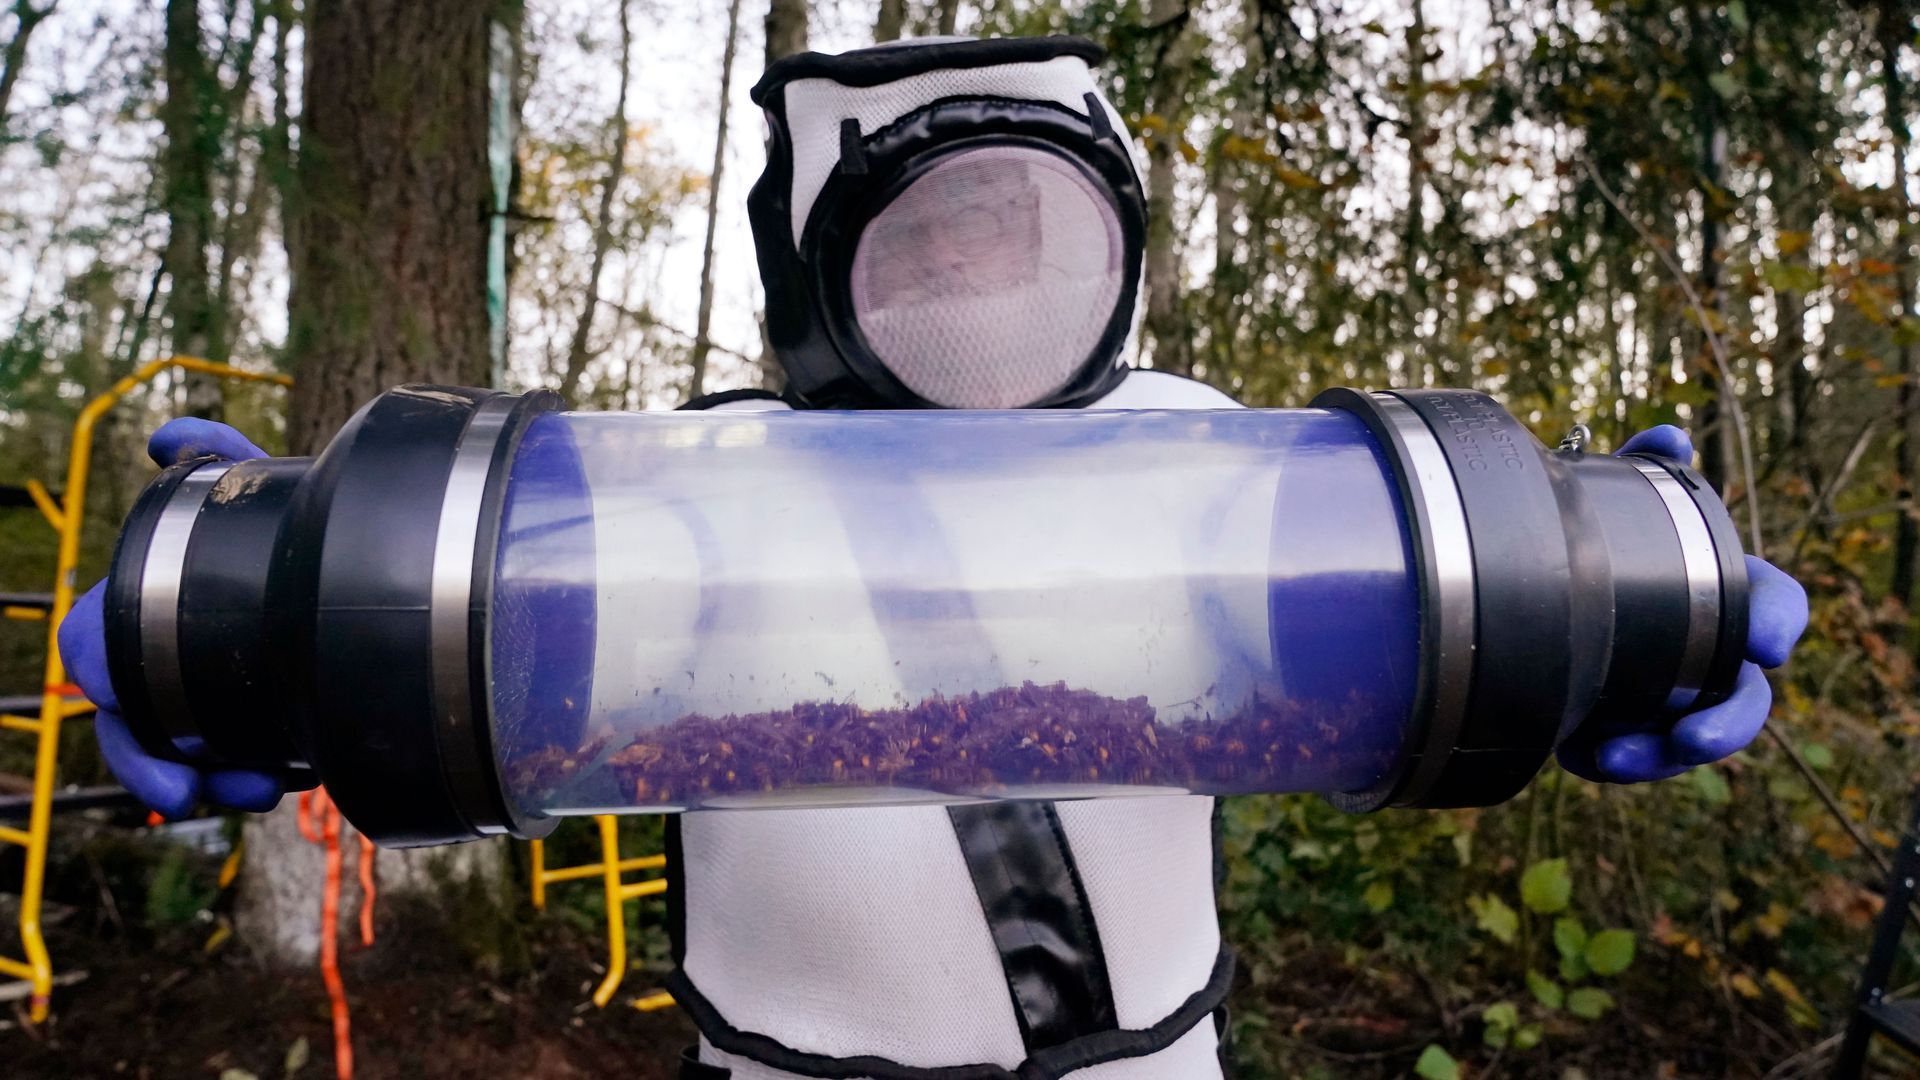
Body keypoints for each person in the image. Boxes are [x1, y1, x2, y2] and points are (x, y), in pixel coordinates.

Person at [60, 35, 1809, 1080]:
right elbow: (456, 655)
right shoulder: (673, 497)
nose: (980, 292)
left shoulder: (1227, 466)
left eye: (1018, 233)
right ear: (823, 264)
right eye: (930, 241)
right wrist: (274, 621)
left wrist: (1589, 606)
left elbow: (1427, 628)